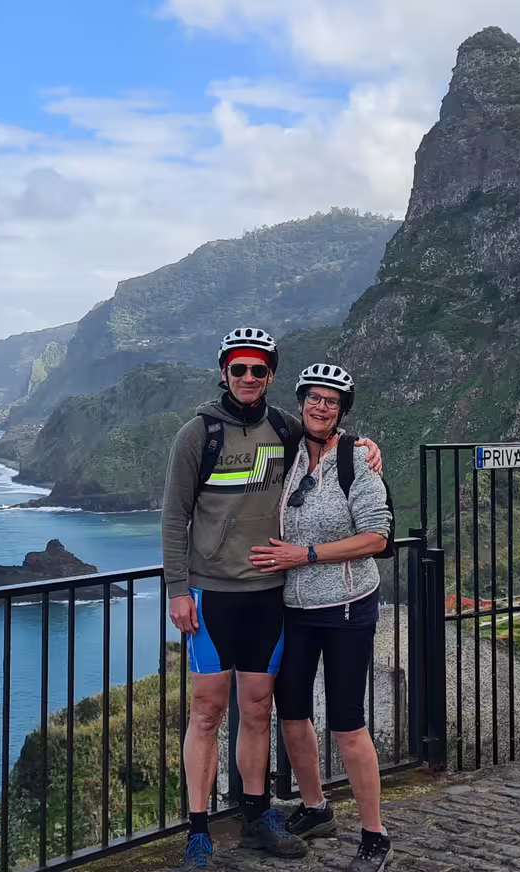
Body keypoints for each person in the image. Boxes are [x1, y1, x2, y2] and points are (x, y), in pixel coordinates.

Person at [161, 329, 381, 870]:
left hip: (269, 596)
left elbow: (329, 437)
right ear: (225, 373)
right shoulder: (198, 434)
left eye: (259, 370)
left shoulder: (283, 426)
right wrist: (177, 590)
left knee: (259, 711)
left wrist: (368, 447)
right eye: (239, 369)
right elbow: (173, 515)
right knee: (207, 711)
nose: (249, 378)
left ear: (271, 376)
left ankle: (257, 815)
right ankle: (197, 829)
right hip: (212, 594)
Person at [250, 363, 393, 872]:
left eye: (331, 401)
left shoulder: (357, 461)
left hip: (347, 609)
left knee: (348, 724)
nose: (320, 406)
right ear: (302, 403)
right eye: (313, 398)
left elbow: (378, 538)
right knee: (291, 713)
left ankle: (374, 835)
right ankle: (316, 810)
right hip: (295, 608)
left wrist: (306, 554)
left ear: (342, 411)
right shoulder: (287, 455)